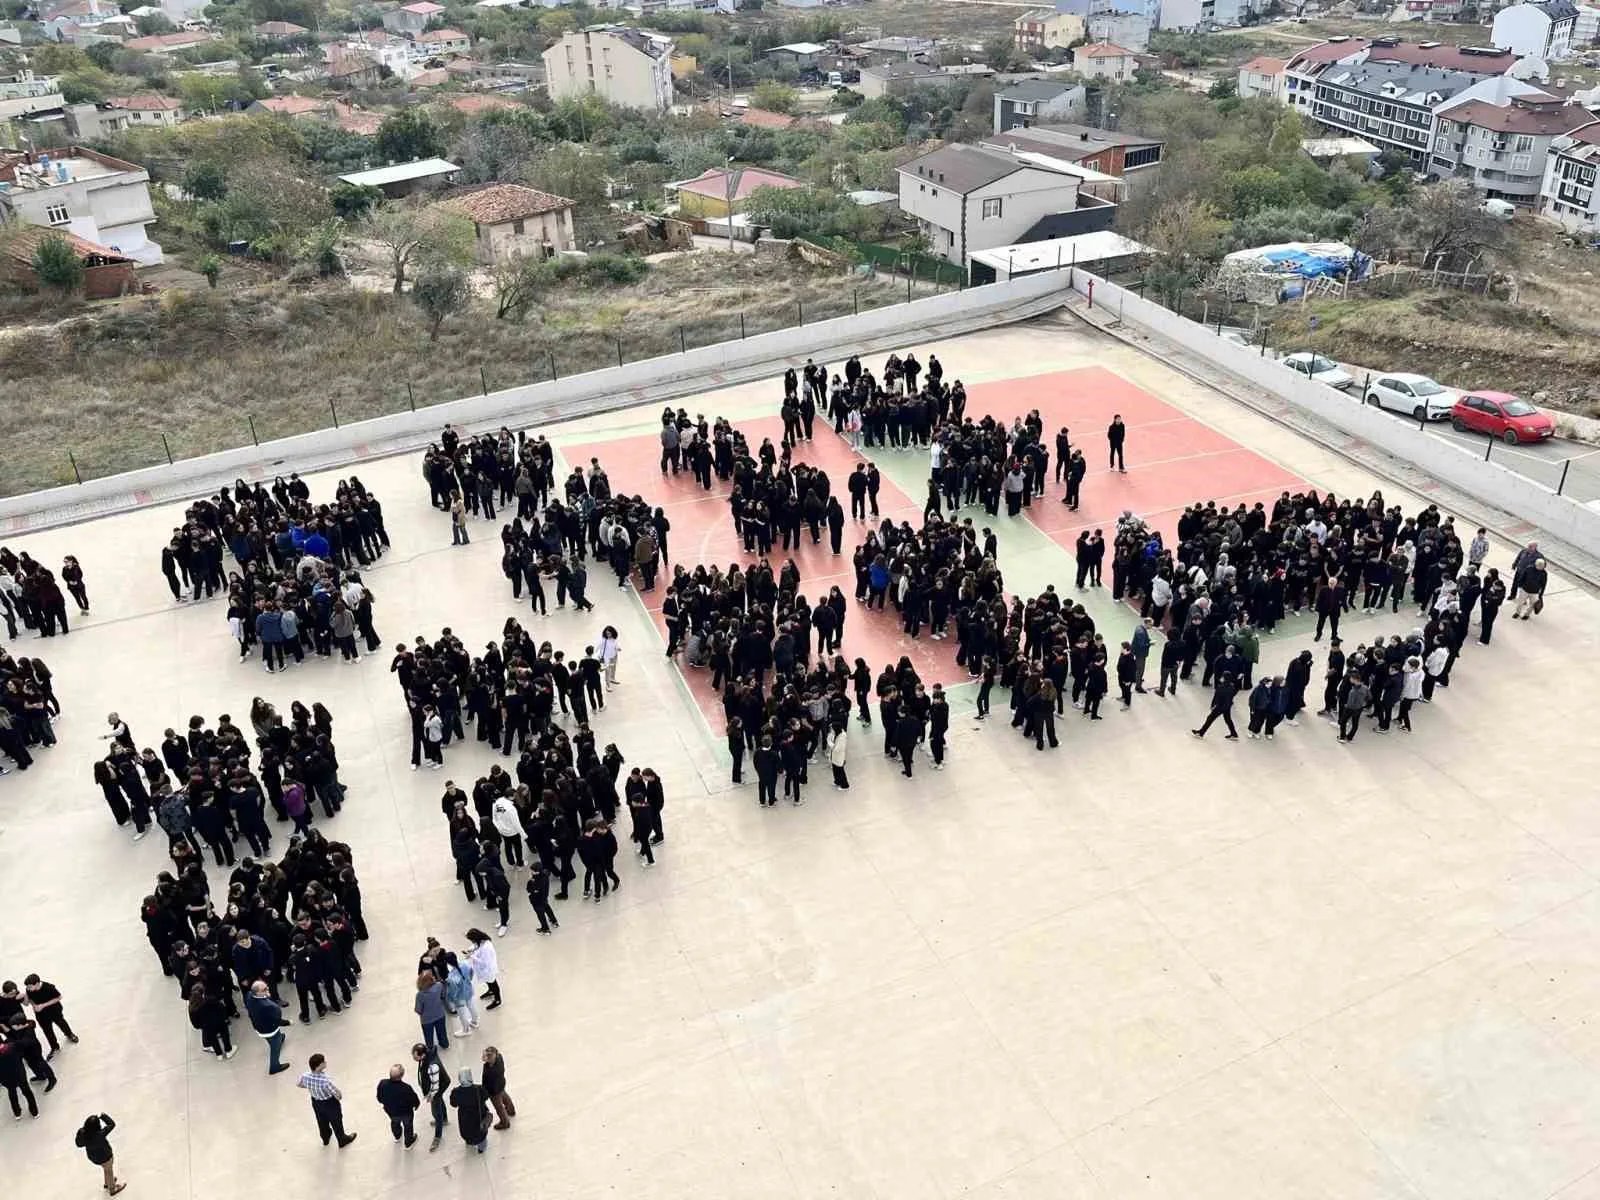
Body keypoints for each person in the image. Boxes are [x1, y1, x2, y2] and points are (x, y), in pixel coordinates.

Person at [297, 1053, 357, 1148]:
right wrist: (338, 1093)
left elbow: (299, 1084)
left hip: (316, 1102)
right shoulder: (325, 1081)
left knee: (321, 1121)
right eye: (323, 1062)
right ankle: (342, 1140)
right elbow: (338, 1096)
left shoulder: (305, 1076)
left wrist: (312, 1088)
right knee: (336, 1121)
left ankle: (325, 1138)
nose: (325, 1063)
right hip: (329, 1103)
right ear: (318, 1067)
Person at [244, 980, 291, 1075]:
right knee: (275, 1048)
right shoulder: (268, 1006)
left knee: (273, 1039)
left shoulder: (249, 995)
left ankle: (280, 1038)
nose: (268, 989)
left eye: (267, 987)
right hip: (270, 1030)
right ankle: (274, 1067)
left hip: (259, 1027)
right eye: (265, 989)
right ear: (258, 993)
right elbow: (277, 1020)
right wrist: (288, 1022)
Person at [413, 1041, 450, 1153]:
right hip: (441, 1084)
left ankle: (437, 1136)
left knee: (436, 1112)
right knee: (440, 1101)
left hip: (437, 1087)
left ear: (423, 1055)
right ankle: (444, 1119)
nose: (414, 1058)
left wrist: (431, 1096)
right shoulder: (428, 1056)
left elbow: (435, 1084)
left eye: (415, 1056)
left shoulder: (432, 1066)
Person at [75, 1113, 126, 1195]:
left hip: (94, 1158)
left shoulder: (84, 1134)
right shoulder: (100, 1134)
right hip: (105, 1157)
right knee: (109, 1170)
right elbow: (112, 1124)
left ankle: (107, 1183)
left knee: (106, 1169)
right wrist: (103, 1116)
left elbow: (78, 1143)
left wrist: (79, 1133)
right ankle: (112, 1188)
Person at [376, 1064, 420, 1148]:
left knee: (395, 1123)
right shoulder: (406, 1088)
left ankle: (397, 1136)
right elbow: (414, 1100)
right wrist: (416, 1105)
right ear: (401, 1075)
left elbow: (379, 1098)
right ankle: (408, 1142)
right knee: (408, 1126)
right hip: (406, 1113)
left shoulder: (382, 1084)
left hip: (391, 1112)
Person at [450, 1068, 492, 1154]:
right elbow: (486, 1097)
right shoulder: (479, 1089)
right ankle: (481, 1148)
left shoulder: (456, 1092)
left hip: (464, 1119)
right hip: (478, 1117)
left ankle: (469, 1141)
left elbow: (453, 1104)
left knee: (467, 1132)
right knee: (480, 1133)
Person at [1191, 673, 1241, 740]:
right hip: (1227, 706)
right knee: (1228, 720)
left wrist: (1213, 706)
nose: (1221, 678)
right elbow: (1233, 694)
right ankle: (1234, 734)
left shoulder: (1221, 687)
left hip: (1220, 707)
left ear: (1224, 678)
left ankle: (1201, 733)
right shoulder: (1232, 687)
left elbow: (1216, 698)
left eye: (1222, 677)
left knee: (1210, 718)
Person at [481, 1046, 515, 1130]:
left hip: (494, 1091)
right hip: (501, 1084)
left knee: (499, 1107)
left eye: (488, 1056)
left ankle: (504, 1122)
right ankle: (511, 1110)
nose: (484, 1057)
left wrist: (485, 1090)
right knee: (504, 1096)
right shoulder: (499, 1057)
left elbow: (487, 1081)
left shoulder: (490, 1070)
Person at [466, 929, 501, 1010]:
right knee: (489, 981)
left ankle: (497, 999)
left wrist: (471, 956)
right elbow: (476, 946)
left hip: (488, 969)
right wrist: (471, 950)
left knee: (493, 982)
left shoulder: (486, 948)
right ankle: (491, 990)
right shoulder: (482, 941)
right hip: (484, 970)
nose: (472, 942)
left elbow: (484, 963)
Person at [414, 972, 450, 1050]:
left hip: (426, 1019)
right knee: (442, 1032)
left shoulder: (420, 995)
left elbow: (418, 1009)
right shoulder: (439, 985)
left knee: (428, 1035)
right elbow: (443, 996)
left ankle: (430, 1048)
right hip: (440, 1014)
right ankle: (444, 1044)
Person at [829, 724, 849, 790]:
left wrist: (829, 742)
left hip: (839, 756)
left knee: (840, 770)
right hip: (835, 756)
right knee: (835, 769)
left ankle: (844, 785)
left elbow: (837, 749)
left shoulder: (842, 737)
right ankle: (837, 781)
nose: (831, 730)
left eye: (832, 729)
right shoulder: (836, 734)